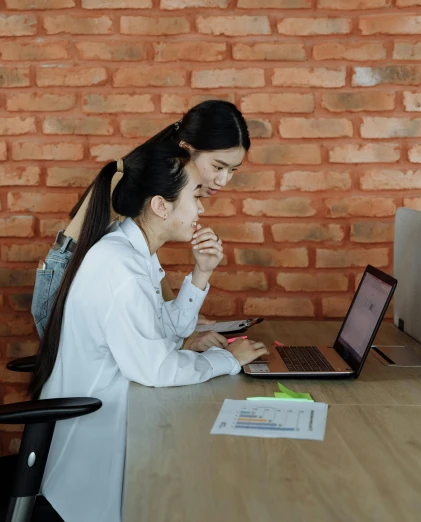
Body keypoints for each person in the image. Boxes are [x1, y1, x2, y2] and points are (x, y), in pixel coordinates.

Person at [32, 140, 269, 522]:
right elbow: (155, 369)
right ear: (161, 205)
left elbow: (165, 331)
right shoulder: (120, 267)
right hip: (95, 455)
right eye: (196, 195)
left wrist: (201, 273)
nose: (202, 207)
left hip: (120, 418)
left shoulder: (128, 249)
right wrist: (225, 359)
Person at [31, 100, 248, 352]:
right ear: (187, 149)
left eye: (233, 169)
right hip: (62, 286)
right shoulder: (145, 179)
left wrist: (174, 316)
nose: (223, 179)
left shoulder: (164, 177)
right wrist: (181, 334)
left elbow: (147, 263)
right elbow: (137, 265)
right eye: (218, 166)